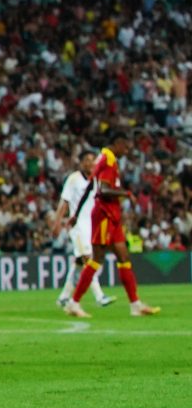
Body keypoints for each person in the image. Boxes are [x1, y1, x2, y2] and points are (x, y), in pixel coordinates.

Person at [64, 133, 161, 318]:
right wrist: (126, 193)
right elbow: (104, 190)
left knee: (124, 257)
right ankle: (73, 303)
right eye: (125, 146)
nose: (127, 150)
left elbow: (88, 189)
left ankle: (135, 305)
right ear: (118, 143)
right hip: (104, 215)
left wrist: (75, 214)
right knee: (96, 259)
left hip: (112, 216)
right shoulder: (108, 159)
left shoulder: (104, 159)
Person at [50, 151, 113, 310]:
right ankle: (100, 296)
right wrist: (57, 222)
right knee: (88, 260)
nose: (90, 163)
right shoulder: (74, 179)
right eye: (86, 160)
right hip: (78, 227)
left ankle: (64, 297)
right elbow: (64, 202)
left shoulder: (98, 180)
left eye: (92, 160)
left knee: (79, 262)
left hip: (93, 226)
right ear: (81, 163)